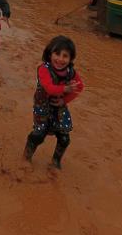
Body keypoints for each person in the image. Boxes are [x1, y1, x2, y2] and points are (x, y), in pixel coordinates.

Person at [23, 35, 84, 169]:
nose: (60, 59)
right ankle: (26, 157)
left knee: (64, 138)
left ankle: (55, 163)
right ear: (49, 53)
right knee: (39, 134)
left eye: (65, 56)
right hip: (42, 106)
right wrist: (65, 88)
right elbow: (49, 88)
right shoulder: (43, 69)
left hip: (59, 106)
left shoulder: (70, 72)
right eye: (57, 54)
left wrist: (64, 100)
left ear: (70, 58)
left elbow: (80, 87)